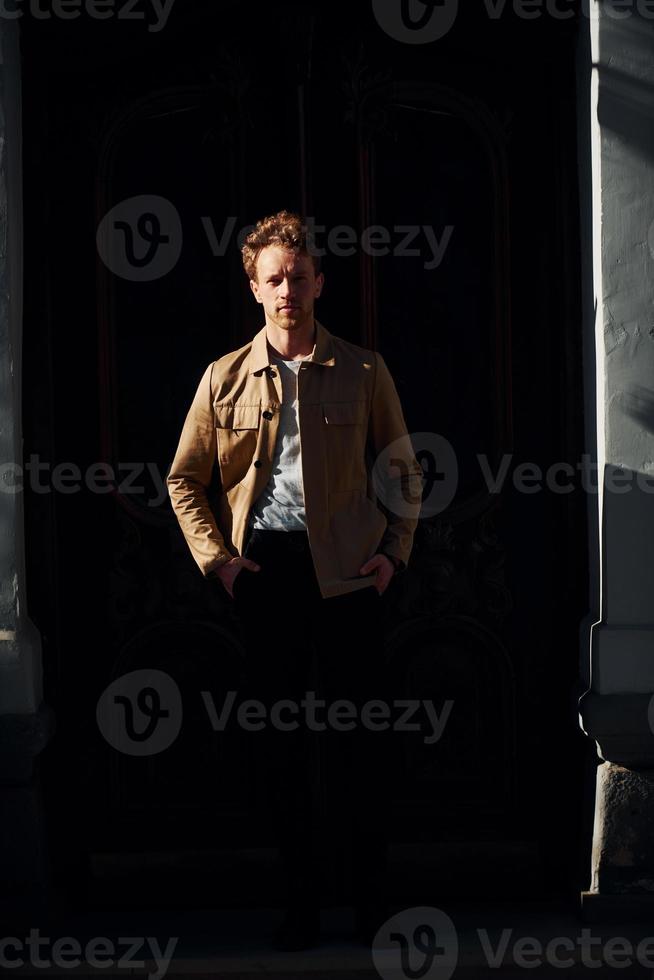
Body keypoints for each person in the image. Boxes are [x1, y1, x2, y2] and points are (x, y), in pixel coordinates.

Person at [166, 210, 423, 949]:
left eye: (299, 277)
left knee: (362, 746)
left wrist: (394, 553)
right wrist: (219, 561)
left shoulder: (365, 370)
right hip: (267, 575)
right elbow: (185, 480)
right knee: (278, 748)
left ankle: (372, 905)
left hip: (349, 578)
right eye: (273, 279)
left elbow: (402, 469)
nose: (288, 291)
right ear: (254, 287)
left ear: (320, 282)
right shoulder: (223, 377)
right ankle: (300, 908)